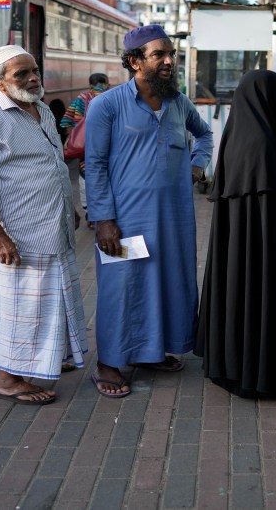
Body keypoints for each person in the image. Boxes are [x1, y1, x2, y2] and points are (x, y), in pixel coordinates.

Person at [0, 45, 87, 406]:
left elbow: (54, 165)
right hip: (20, 234)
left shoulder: (41, 109)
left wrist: (68, 206)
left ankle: (48, 358)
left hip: (52, 225)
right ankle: (8, 378)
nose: (32, 79)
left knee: (54, 298)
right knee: (20, 308)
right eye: (21, 75)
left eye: (34, 71)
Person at [84, 24, 213, 397]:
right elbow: (94, 165)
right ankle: (109, 363)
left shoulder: (178, 102)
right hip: (125, 220)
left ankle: (151, 352)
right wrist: (104, 220)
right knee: (121, 286)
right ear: (134, 61)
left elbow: (203, 134)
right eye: (160, 55)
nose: (170, 61)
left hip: (174, 219)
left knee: (168, 281)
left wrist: (197, 163)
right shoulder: (107, 105)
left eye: (171, 54)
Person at [195, 70, 276, 399]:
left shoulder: (237, 135)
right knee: (263, 292)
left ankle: (232, 364)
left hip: (236, 245)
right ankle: (259, 369)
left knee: (237, 289)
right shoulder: (267, 144)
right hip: (266, 242)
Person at [59, 72, 110, 227]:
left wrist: (74, 135)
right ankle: (105, 213)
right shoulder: (111, 97)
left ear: (90, 84)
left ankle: (90, 213)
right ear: (107, 83)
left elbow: (66, 121)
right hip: (108, 147)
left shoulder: (81, 98)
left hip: (87, 150)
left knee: (86, 178)